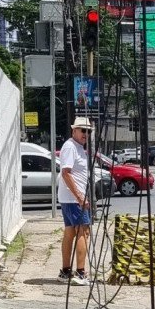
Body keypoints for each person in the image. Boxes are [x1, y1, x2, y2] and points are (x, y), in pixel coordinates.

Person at [57, 116, 94, 285]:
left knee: (71, 232)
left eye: (88, 131)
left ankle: (65, 272)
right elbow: (66, 173)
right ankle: (80, 273)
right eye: (83, 130)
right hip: (73, 198)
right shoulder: (70, 146)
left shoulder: (78, 147)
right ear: (74, 131)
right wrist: (80, 197)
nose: (86, 134)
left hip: (71, 198)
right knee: (83, 231)